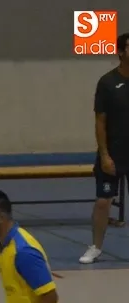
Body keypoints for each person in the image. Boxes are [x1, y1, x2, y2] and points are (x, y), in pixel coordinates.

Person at [80, 32, 129, 264]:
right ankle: (96, 247)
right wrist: (104, 155)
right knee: (103, 201)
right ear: (121, 52)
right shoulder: (108, 83)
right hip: (114, 154)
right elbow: (100, 121)